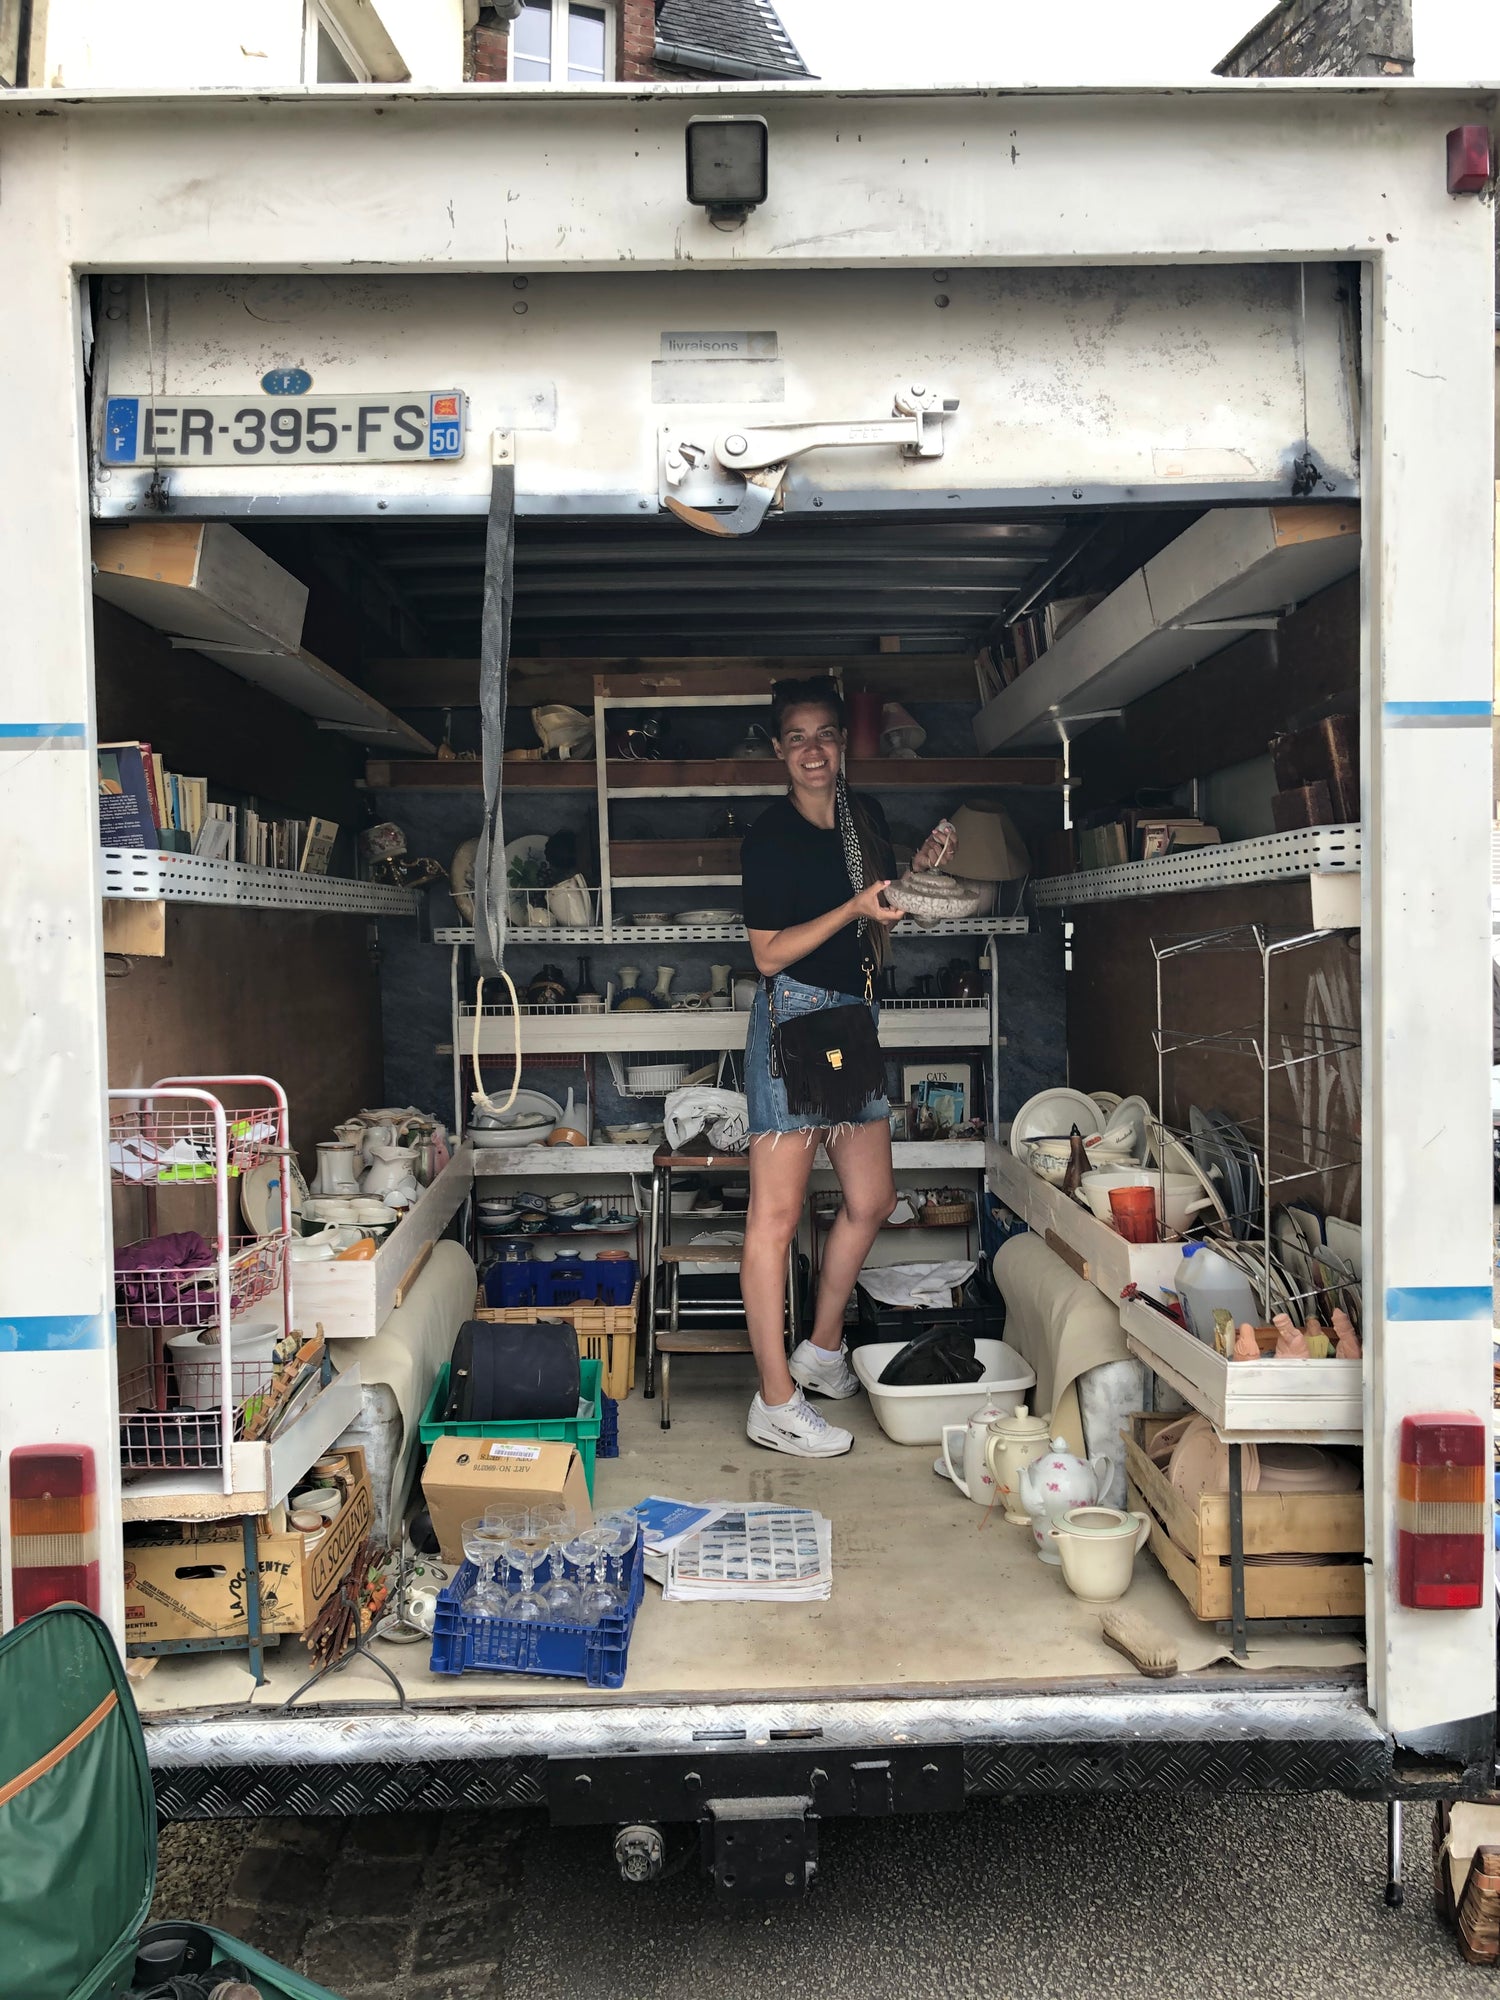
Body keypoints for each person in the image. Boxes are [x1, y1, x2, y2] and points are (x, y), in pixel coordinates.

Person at [737, 677, 955, 1457]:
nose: (813, 749)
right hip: (793, 1018)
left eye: (825, 734)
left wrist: (916, 874)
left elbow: (879, 908)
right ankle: (774, 1401)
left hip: (851, 1019)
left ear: (841, 745)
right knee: (775, 1219)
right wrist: (852, 910)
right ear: (779, 750)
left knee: (871, 1198)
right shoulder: (769, 837)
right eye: (796, 737)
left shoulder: (865, 820)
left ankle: (821, 1350)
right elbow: (768, 954)